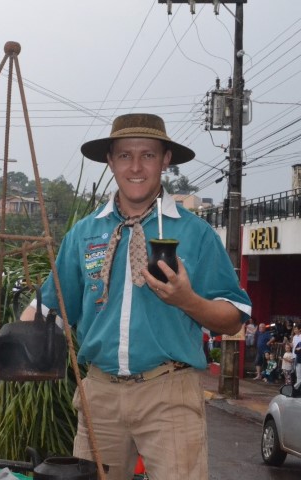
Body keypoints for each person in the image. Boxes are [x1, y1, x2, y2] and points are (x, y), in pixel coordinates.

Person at [20, 113, 251, 480]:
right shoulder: (84, 233)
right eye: (125, 155)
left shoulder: (196, 233)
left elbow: (234, 316)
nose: (136, 167)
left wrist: (186, 300)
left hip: (170, 391)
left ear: (165, 160)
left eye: (148, 155)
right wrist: (4, 345)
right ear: (110, 161)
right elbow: (50, 309)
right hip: (100, 395)